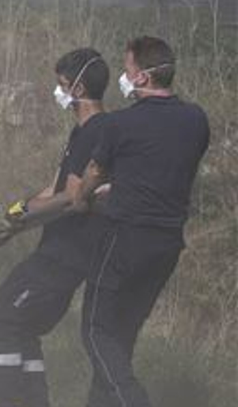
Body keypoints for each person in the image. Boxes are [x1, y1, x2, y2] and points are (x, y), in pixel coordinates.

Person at [72, 36, 211, 407]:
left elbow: (93, 173)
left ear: (143, 78)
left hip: (125, 239)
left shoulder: (120, 124)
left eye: (128, 69)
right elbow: (165, 166)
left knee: (96, 331)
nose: (125, 75)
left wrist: (82, 200)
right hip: (165, 245)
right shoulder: (196, 120)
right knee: (121, 336)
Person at [0, 47, 111, 407]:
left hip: (65, 256)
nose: (58, 92)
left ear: (79, 89)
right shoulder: (79, 133)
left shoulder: (97, 131)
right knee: (23, 328)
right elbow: (51, 190)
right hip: (57, 253)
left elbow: (69, 197)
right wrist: (14, 214)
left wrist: (17, 222)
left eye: (62, 85)